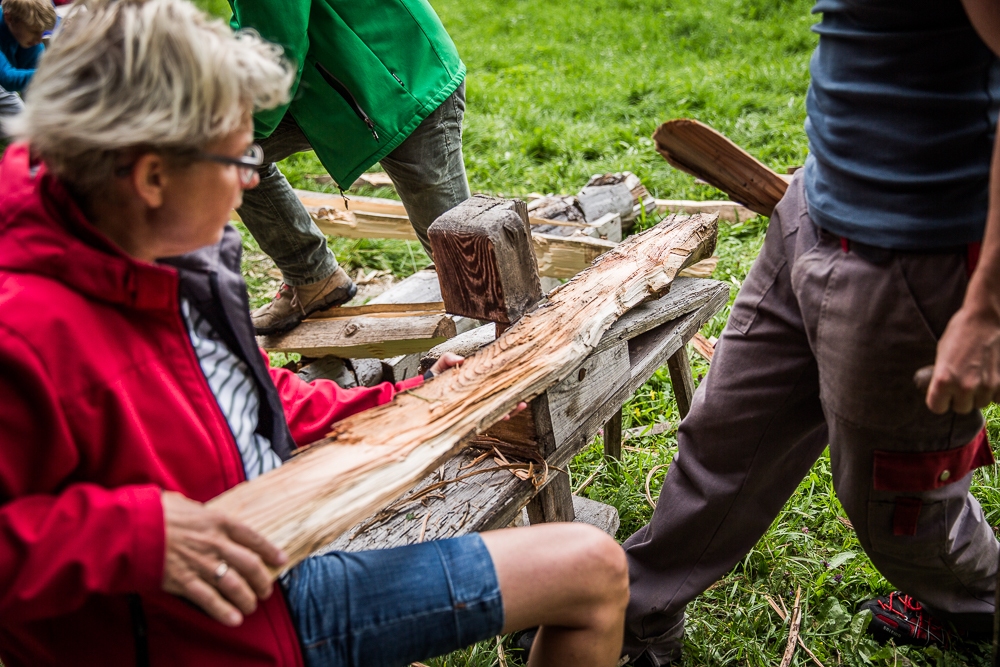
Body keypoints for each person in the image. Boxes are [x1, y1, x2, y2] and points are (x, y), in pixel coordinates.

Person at [0, 1, 628, 665]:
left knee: (589, 565)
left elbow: (232, 392)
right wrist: (142, 538)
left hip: (286, 579)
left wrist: (408, 399)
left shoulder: (165, 257)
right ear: (152, 176)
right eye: (240, 156)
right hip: (215, 636)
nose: (250, 177)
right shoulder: (25, 328)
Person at [619, 0, 1000, 664]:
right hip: (812, 208)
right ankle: (634, 612)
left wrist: (988, 308)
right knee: (726, 432)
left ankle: (977, 603)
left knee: (900, 512)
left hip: (916, 253)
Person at [227, 0, 472, 335]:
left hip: (400, 78)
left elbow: (274, 46)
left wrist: (235, 134)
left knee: (466, 266)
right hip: (336, 81)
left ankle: (512, 347)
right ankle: (312, 277)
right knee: (212, 151)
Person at [0, 0, 54, 126]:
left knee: (29, 123)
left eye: (42, 32)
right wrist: (55, 72)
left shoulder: (25, 33)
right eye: (34, 32)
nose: (38, 39)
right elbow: (8, 79)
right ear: (9, 18)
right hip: (3, 80)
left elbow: (38, 73)